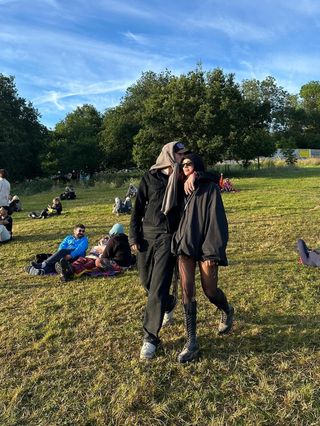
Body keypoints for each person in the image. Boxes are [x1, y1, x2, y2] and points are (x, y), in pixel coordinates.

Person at [130, 140, 196, 361]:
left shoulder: (182, 177)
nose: (182, 158)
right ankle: (168, 303)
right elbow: (137, 208)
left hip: (168, 237)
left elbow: (211, 178)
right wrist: (134, 236)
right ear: (169, 154)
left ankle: (150, 338)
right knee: (146, 282)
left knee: (157, 287)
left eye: (184, 155)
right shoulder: (150, 177)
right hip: (147, 237)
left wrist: (195, 176)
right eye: (179, 154)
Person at [172, 153, 234, 363]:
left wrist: (212, 252)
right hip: (185, 245)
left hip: (206, 246)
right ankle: (191, 342)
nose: (185, 168)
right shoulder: (178, 187)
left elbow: (217, 222)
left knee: (210, 291)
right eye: (183, 166)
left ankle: (226, 309)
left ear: (197, 166)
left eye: (189, 165)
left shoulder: (210, 188)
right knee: (187, 291)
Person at [56, 223, 134, 282]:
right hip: (96, 256)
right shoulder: (125, 239)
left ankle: (70, 271)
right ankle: (68, 268)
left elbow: (105, 255)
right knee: (83, 260)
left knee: (90, 263)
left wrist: (100, 249)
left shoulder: (114, 240)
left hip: (107, 260)